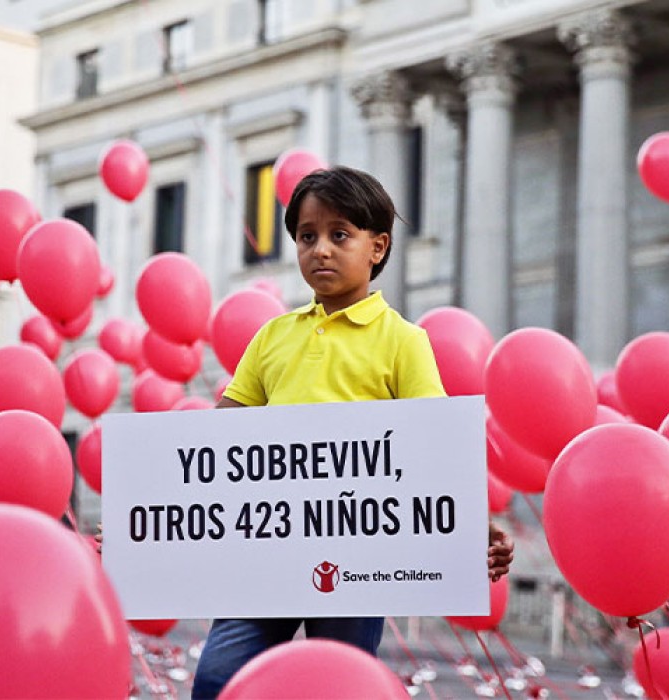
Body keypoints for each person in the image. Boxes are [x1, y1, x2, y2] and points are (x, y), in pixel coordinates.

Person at [190, 165, 514, 698]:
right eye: (306, 236)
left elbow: (436, 449)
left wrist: (477, 531)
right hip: (266, 551)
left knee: (337, 684)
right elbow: (214, 449)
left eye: (339, 235)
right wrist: (146, 532)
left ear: (378, 247)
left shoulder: (403, 341)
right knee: (220, 678)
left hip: (360, 561)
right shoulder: (271, 336)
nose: (320, 249)